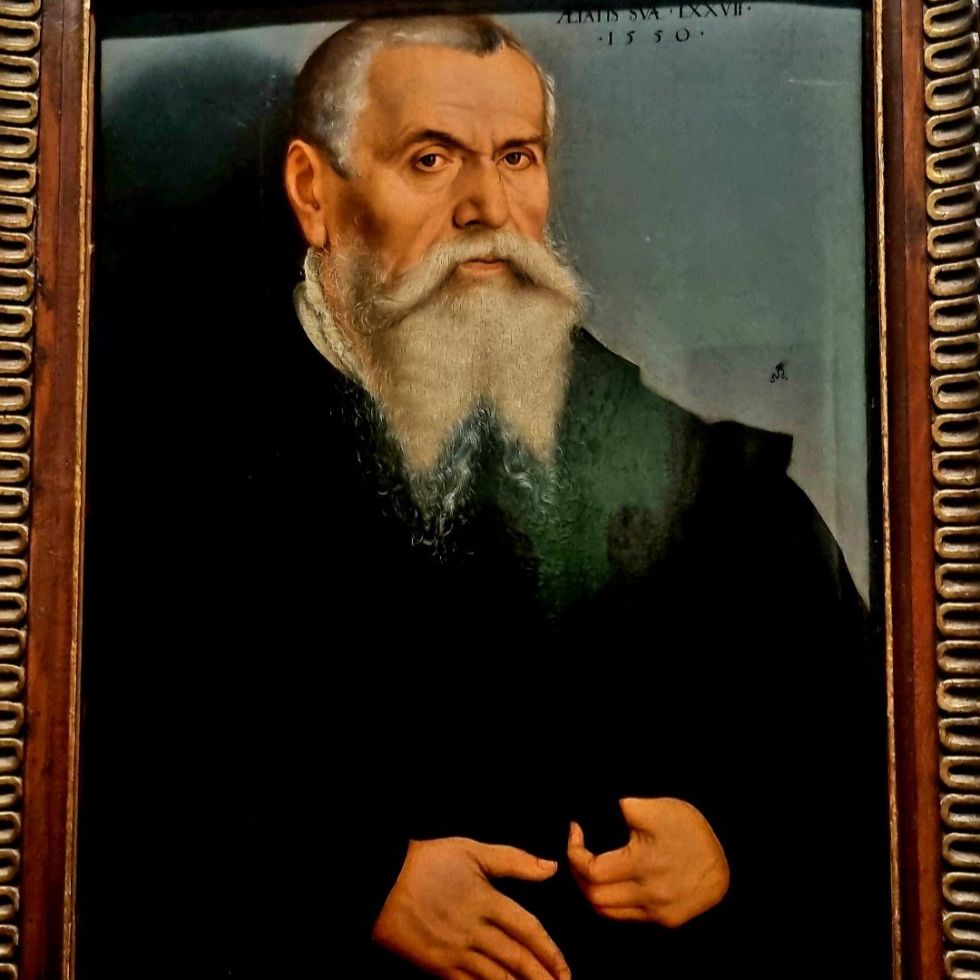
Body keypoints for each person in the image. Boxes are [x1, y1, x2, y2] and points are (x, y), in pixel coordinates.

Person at [260, 14, 890, 979]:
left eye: (517, 157)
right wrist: (351, 879)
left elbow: (866, 738)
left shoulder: (688, 468)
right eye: (431, 159)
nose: (488, 207)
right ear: (315, 192)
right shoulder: (180, 451)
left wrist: (731, 843)